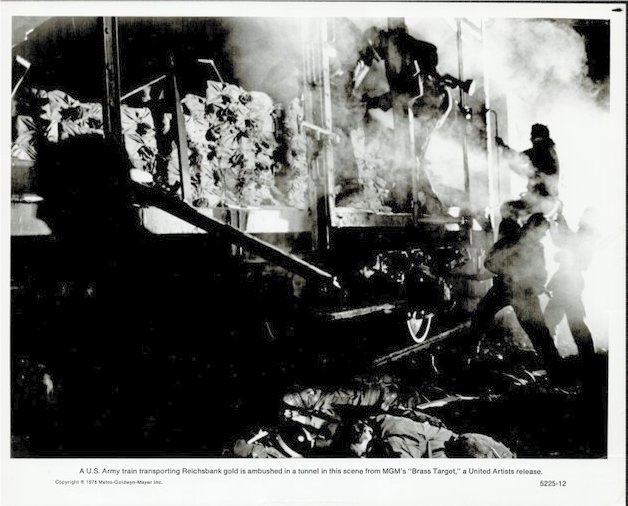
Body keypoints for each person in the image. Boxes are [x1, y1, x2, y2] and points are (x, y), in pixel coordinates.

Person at [470, 213, 561, 373]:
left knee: (538, 330)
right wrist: (509, 272)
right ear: (532, 227)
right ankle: (469, 355)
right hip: (505, 288)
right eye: (541, 232)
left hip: (524, 292)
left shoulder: (536, 247)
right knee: (480, 317)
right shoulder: (510, 241)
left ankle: (554, 365)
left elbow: (541, 274)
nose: (543, 236)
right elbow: (489, 262)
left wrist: (535, 282)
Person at [544, 210, 598, 365]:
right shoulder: (586, 235)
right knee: (572, 322)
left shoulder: (586, 236)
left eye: (583, 217)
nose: (580, 219)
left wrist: (560, 220)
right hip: (569, 281)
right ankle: (588, 358)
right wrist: (558, 222)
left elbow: (565, 240)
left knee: (559, 321)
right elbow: (564, 241)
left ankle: (585, 359)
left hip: (568, 282)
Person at [497, 123, 561, 220]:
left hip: (541, 201)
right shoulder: (549, 152)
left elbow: (519, 159)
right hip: (545, 201)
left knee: (507, 209)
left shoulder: (542, 151)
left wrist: (503, 147)